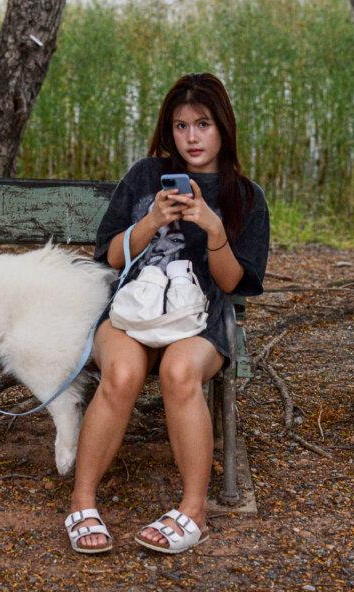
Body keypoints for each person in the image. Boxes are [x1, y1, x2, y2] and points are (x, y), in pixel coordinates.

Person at [64, 72, 269, 555]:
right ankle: (81, 499)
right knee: (121, 371)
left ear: (224, 128)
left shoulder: (245, 196)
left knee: (180, 373)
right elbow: (111, 258)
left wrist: (214, 230)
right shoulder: (143, 176)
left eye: (203, 124)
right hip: (135, 307)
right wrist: (151, 221)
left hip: (201, 316)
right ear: (168, 131)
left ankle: (193, 508)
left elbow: (232, 284)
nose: (192, 137)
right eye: (180, 126)